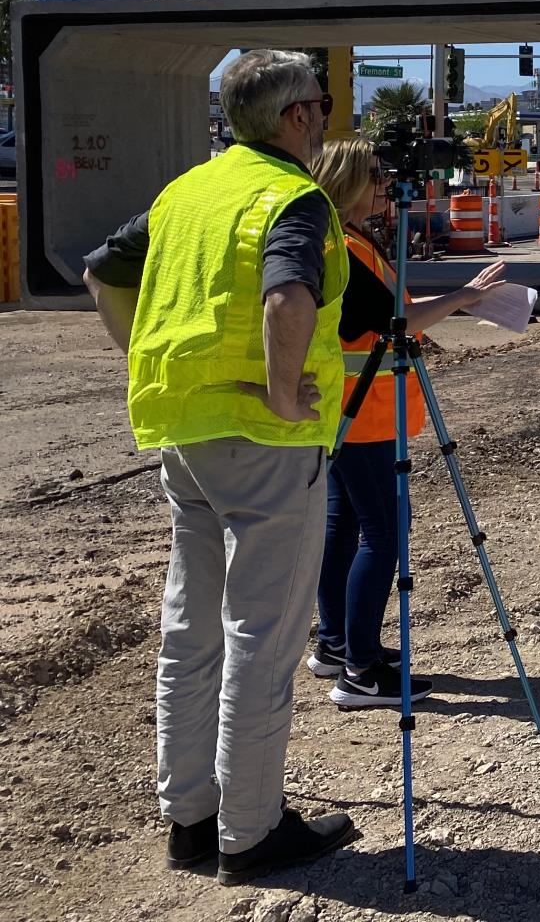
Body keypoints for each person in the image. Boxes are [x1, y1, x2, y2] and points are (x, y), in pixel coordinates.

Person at [80, 50, 356, 884]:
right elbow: (287, 294)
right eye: (323, 103)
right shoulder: (291, 198)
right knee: (262, 637)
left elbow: (101, 269)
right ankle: (251, 831)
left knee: (190, 630)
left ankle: (190, 819)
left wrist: (139, 355)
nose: (325, 117)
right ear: (296, 117)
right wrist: (280, 390)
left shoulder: (186, 193)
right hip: (265, 442)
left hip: (185, 432)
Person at [307, 139, 510, 707]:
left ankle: (338, 643)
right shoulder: (341, 248)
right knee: (383, 535)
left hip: (354, 408)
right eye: (372, 175)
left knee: (344, 527)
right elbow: (397, 318)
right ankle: (362, 671)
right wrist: (465, 298)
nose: (382, 185)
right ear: (345, 180)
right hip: (362, 411)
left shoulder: (348, 241)